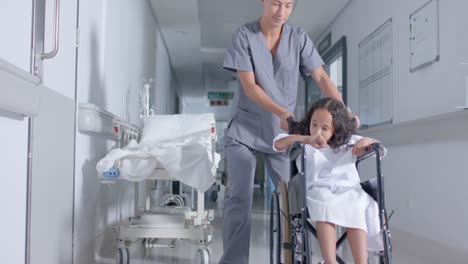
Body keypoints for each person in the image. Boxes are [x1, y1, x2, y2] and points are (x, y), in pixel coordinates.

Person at [220, 0, 354, 262]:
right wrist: (281, 111)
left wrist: (344, 112)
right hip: (245, 132)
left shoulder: (298, 38)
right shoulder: (244, 36)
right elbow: (250, 87)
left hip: (282, 136)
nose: (281, 12)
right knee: (240, 199)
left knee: (292, 202)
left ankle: (293, 258)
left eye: (289, 5)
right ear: (263, 1)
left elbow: (323, 78)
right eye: (276, 4)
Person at [273, 97, 385, 264]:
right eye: (314, 124)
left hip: (349, 190)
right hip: (317, 190)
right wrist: (305, 139)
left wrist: (366, 141)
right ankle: (330, 261)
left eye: (324, 128)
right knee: (326, 206)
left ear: (336, 129)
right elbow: (278, 143)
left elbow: (380, 149)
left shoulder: (347, 141)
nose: (317, 131)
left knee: (357, 206)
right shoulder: (304, 139)